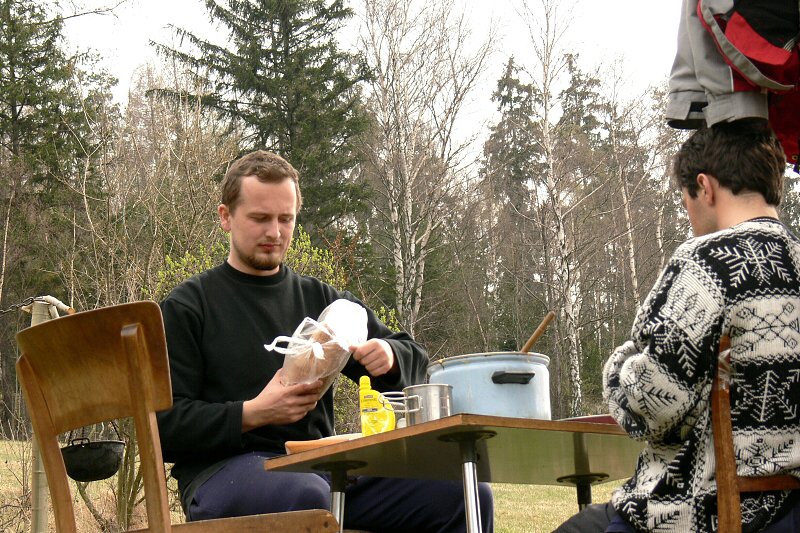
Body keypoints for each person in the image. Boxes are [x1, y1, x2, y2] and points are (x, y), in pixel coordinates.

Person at [155, 150, 494, 532]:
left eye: (286, 219)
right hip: (223, 473)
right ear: (225, 217)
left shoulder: (323, 303)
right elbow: (165, 427)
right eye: (260, 218)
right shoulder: (189, 306)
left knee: (466, 493)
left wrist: (389, 356)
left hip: (324, 467)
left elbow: (414, 359)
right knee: (308, 498)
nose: (275, 232)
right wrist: (253, 413)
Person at [555, 120, 800, 533]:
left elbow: (653, 405)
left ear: (705, 187)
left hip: (703, 511)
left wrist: (619, 367)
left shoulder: (708, 263)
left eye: (686, 200)